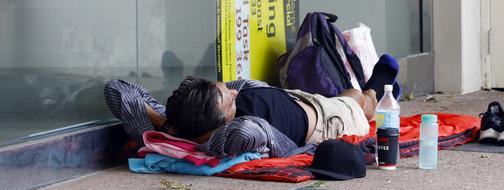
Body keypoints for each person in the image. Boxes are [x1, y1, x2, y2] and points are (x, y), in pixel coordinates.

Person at [105, 77, 380, 158]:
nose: (233, 94)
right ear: (220, 124)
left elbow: (116, 88)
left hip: (294, 96)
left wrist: (165, 122)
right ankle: (380, 85)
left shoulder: (185, 120)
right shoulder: (239, 133)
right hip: (325, 120)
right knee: (359, 98)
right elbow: (241, 133)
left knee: (349, 91)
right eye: (228, 101)